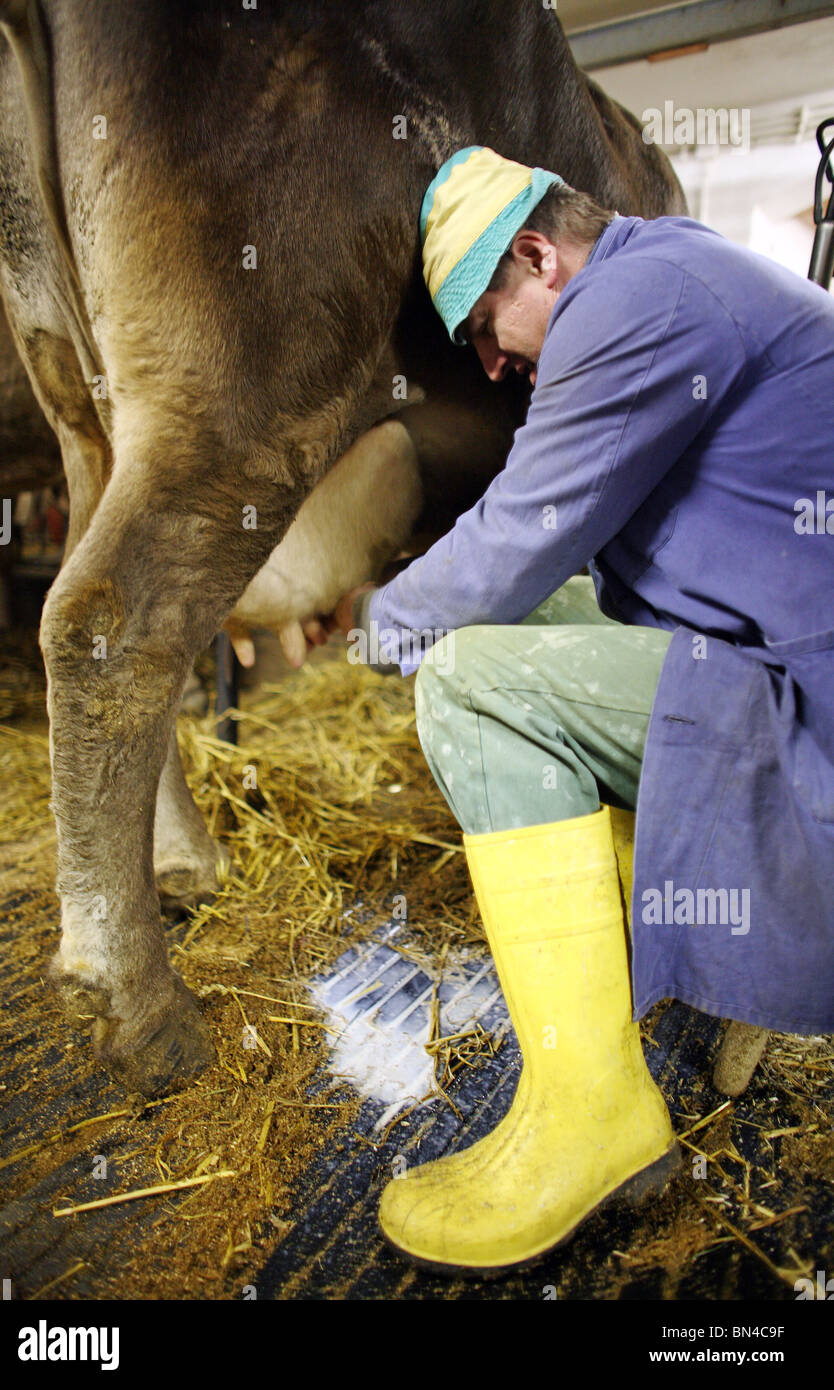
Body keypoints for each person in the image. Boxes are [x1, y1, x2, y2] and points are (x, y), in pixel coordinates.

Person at [320, 145, 834, 1275]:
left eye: (483, 329)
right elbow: (559, 569)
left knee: (471, 680)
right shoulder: (675, 266)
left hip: (814, 709)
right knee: (533, 624)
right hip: (786, 639)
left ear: (536, 254)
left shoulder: (633, 301)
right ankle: (690, 942)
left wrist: (375, 621)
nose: (492, 367)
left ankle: (589, 1108)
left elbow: (518, 530)